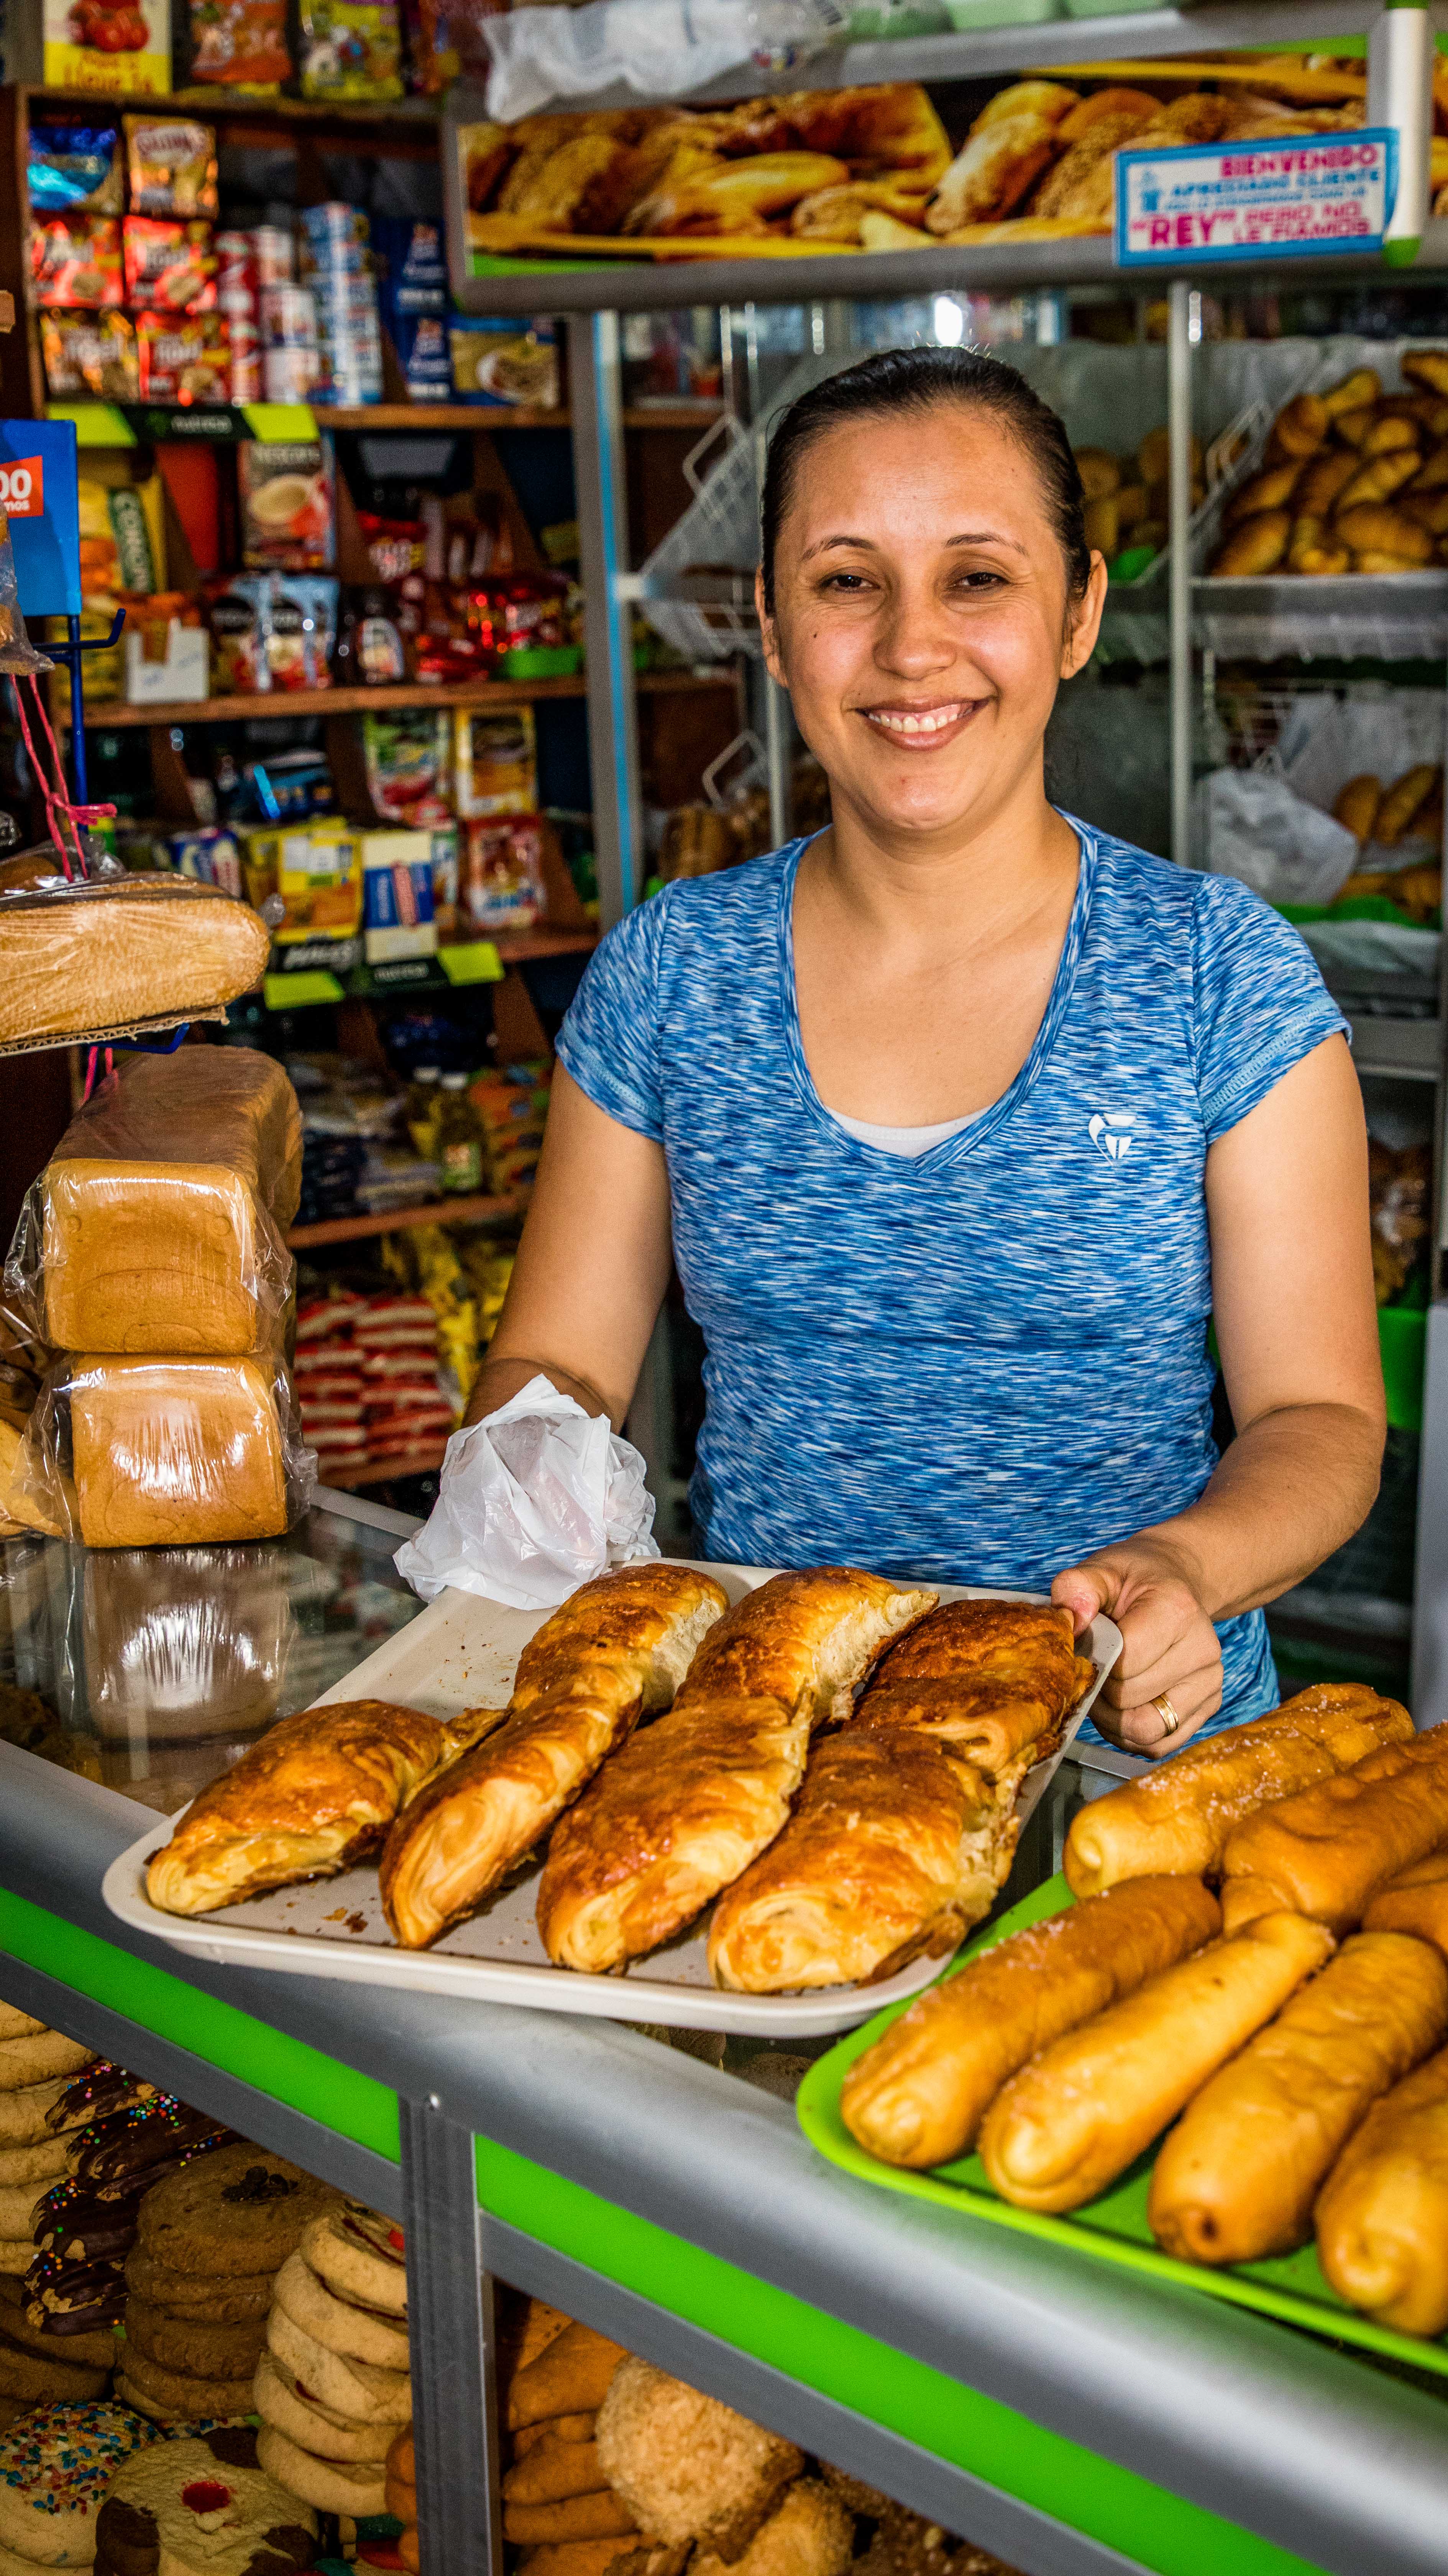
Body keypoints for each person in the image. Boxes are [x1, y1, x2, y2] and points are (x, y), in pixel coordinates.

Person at [467, 346, 1384, 1757]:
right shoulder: (674, 974)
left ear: (1076, 612)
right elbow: (559, 1360)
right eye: (846, 581)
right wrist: (528, 1473)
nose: (911, 648)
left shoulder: (1215, 973)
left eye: (978, 576)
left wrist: (1194, 1566)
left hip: (1122, 1750)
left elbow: (1319, 1413)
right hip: (770, 1753)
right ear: (772, 629)